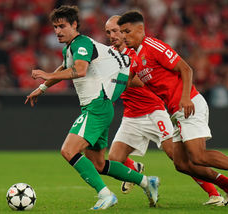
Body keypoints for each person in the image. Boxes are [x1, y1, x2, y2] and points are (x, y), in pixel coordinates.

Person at [117, 11, 228, 206]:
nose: (124, 36)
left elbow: (186, 68)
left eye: (127, 31)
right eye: (121, 32)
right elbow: (125, 83)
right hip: (176, 111)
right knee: (181, 164)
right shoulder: (134, 57)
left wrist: (185, 98)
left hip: (189, 103)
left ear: (140, 29)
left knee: (198, 155)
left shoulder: (153, 46)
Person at [25, 6, 160, 210]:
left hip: (96, 106)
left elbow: (80, 70)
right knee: (98, 164)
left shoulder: (83, 43)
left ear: (74, 25)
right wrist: (42, 88)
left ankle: (105, 194)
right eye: (55, 27)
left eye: (62, 26)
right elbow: (65, 66)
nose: (58, 31)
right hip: (102, 106)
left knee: (68, 150)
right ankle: (146, 182)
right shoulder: (71, 47)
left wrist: (47, 75)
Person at [105, 15, 224, 206]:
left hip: (154, 111)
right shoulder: (110, 54)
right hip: (131, 115)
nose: (112, 35)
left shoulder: (136, 51)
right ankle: (135, 168)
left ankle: (214, 192)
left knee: (178, 158)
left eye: (116, 31)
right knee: (114, 159)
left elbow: (139, 81)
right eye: (108, 32)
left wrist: (117, 80)